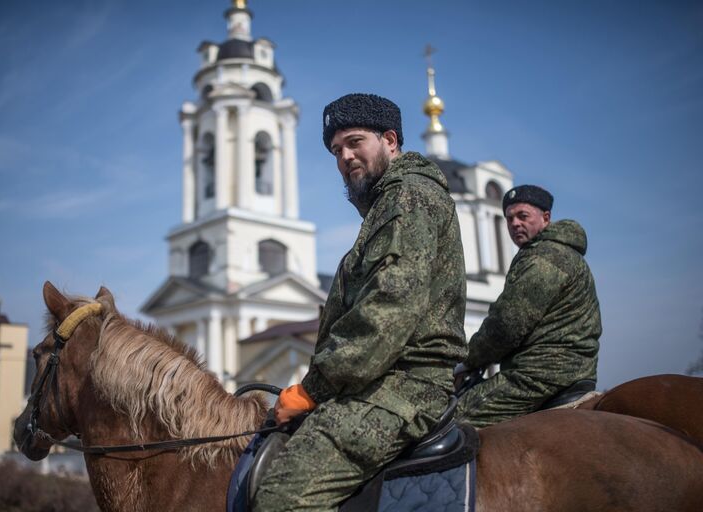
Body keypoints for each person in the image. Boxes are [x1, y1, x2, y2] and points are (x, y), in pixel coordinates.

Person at [253, 93, 467, 512]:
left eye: (355, 142)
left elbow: (385, 312)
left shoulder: (407, 198)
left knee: (280, 498)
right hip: (382, 381)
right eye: (337, 150)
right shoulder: (389, 203)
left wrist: (311, 390)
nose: (345, 156)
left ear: (390, 140)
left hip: (405, 388)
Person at [454, 184, 602, 428]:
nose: (514, 224)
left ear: (545, 218)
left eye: (523, 216)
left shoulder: (546, 257)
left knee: (448, 424)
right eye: (509, 218)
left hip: (541, 373)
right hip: (559, 369)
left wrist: (468, 362)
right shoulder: (546, 253)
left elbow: (507, 324)